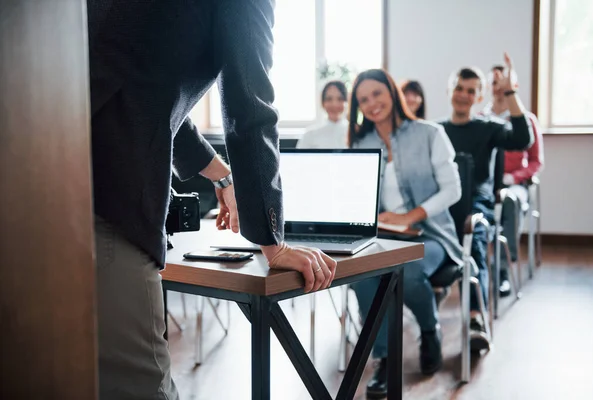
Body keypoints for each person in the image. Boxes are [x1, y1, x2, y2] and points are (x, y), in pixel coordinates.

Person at [87, 2, 337, 399]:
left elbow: (148, 90)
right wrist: (274, 244)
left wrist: (222, 176)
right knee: (138, 384)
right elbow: (250, 106)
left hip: (39, 165)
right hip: (98, 189)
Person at [348, 69, 467, 398]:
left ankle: (429, 329)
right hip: (383, 237)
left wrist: (411, 216)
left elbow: (453, 189)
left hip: (432, 236)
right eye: (363, 100)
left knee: (407, 269)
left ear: (391, 92)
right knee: (362, 276)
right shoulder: (361, 142)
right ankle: (384, 358)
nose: (372, 103)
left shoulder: (430, 133)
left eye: (377, 94)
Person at [439, 53, 533, 350]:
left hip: (474, 207)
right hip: (440, 208)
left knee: (474, 237)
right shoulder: (436, 131)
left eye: (470, 91)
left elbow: (521, 138)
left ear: (479, 96)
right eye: (459, 88)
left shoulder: (488, 128)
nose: (464, 95)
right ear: (449, 91)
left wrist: (510, 93)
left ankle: (476, 317)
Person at [481, 64, 544, 296]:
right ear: (488, 87)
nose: (499, 88)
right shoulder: (480, 119)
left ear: (513, 87)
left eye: (505, 82)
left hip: (514, 186)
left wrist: (513, 177)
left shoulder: (526, 121)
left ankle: (503, 270)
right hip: (485, 187)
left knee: (509, 201)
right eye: (495, 82)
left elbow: (537, 161)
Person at [296, 80, 349, 148]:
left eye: (340, 99)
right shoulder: (310, 134)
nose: (334, 104)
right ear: (323, 102)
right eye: (329, 99)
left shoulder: (356, 133)